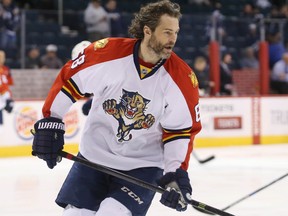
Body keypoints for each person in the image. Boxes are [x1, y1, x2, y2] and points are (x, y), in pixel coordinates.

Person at [31, 1, 202, 216]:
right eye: (167, 32)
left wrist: (175, 173)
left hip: (143, 166)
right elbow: (69, 81)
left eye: (175, 32)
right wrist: (51, 120)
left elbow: (180, 131)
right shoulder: (107, 53)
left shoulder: (182, 79)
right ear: (147, 31)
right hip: (93, 157)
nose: (173, 39)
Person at [0, 50, 13, 125]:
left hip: (3, 97)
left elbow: (8, 84)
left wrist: (8, 97)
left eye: (2, 57)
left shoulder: (6, 69)